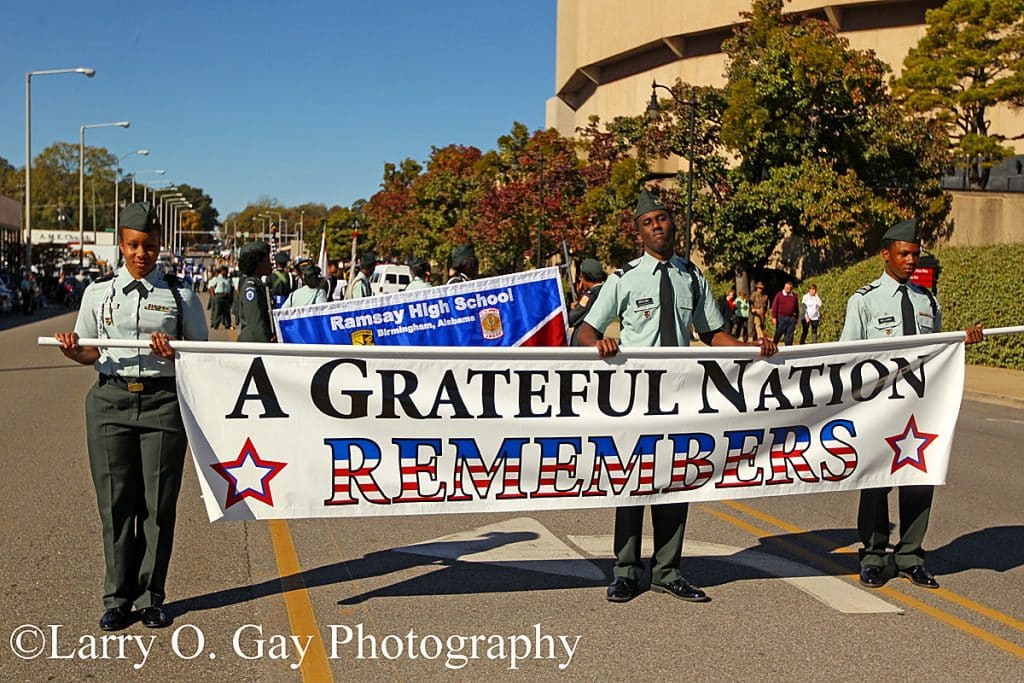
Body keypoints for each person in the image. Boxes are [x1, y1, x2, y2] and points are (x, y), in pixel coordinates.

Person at [576, 189, 778, 604]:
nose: (658, 227)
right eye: (649, 223)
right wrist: (599, 345)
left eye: (663, 219)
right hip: (636, 397)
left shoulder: (692, 276)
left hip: (682, 395)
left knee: (675, 482)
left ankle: (669, 570)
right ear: (639, 233)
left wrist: (752, 347)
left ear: (672, 224)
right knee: (632, 483)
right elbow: (586, 330)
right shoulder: (623, 278)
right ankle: (626, 572)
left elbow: (712, 334)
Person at [54, 202, 208, 631]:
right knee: (116, 504)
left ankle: (152, 596)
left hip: (162, 404)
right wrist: (73, 350)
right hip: (110, 404)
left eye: (151, 246)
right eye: (135, 245)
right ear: (121, 245)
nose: (143, 254)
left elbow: (201, 357)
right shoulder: (97, 295)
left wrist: (174, 353)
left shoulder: (180, 296)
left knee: (157, 506)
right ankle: (117, 598)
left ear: (161, 247)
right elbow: (89, 350)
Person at [840, 218, 983, 590]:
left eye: (915, 255)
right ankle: (873, 557)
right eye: (904, 254)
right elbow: (846, 356)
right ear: (885, 254)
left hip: (918, 407)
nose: (910, 261)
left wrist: (959, 341)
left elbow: (936, 351)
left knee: (920, 478)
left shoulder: (926, 300)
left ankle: (910, 556)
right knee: (875, 481)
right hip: (879, 406)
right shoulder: (864, 300)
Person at [237, 241, 275, 342]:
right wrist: (267, 345)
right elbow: (256, 323)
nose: (271, 263)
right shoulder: (251, 288)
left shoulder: (258, 285)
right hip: (254, 344)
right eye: (267, 260)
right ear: (258, 263)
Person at [567, 257, 606, 346]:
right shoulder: (603, 292)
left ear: (585, 276)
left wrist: (572, 309)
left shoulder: (589, 296)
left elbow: (571, 318)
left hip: (582, 344)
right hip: (595, 339)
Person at [771, 281, 799, 345]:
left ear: (791, 288)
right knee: (778, 333)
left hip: (791, 318)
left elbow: (796, 308)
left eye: (789, 288)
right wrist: (774, 317)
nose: (787, 289)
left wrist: (797, 318)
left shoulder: (794, 296)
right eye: (786, 287)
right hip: (781, 317)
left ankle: (788, 349)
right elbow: (774, 306)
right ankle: (773, 345)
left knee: (789, 335)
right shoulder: (779, 295)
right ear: (784, 287)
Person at [208, 265, 234, 330]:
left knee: (226, 311)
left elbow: (231, 287)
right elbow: (210, 287)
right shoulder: (217, 278)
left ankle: (227, 324)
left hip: (226, 296)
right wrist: (213, 296)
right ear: (222, 271)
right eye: (226, 271)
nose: (227, 272)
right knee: (217, 311)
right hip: (219, 296)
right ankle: (215, 325)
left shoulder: (228, 279)